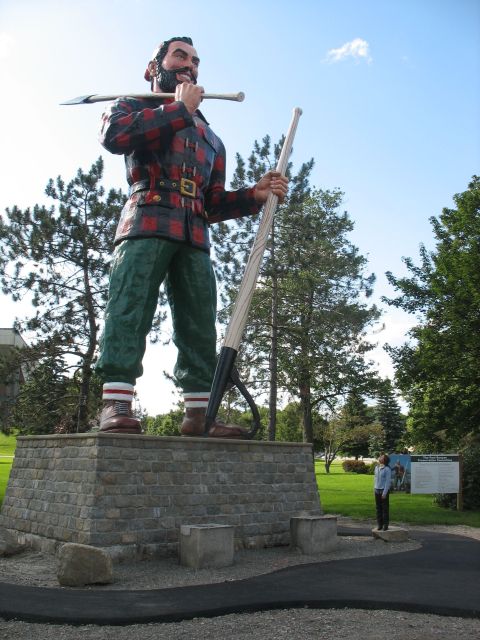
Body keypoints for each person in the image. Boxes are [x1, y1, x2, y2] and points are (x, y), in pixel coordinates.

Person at [95, 37, 288, 438]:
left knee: (199, 322)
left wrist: (254, 194)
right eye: (179, 55)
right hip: (145, 219)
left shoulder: (211, 139)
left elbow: (212, 203)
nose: (190, 64)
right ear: (154, 68)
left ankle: (200, 413)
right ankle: (116, 402)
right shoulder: (131, 106)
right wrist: (180, 108)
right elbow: (115, 137)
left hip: (194, 232)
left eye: (195, 60)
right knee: (128, 308)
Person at [374, 454, 392, 531]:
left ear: (384, 460)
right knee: (378, 508)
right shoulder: (376, 467)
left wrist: (384, 493)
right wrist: (374, 489)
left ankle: (385, 525)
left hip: (383, 491)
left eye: (381, 457)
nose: (379, 457)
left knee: (385, 509)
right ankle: (379, 524)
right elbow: (375, 479)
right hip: (376, 490)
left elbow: (387, 482)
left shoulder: (387, 469)